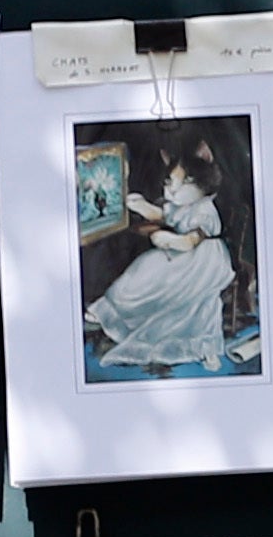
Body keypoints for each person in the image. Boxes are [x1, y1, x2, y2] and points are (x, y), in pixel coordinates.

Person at [85, 153, 236, 375]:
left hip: (203, 261)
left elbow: (191, 240)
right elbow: (163, 215)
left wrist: (171, 240)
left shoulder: (204, 209)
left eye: (185, 182)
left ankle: (202, 346)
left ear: (204, 184)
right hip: (180, 256)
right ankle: (111, 310)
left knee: (196, 299)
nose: (173, 190)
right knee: (143, 268)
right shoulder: (183, 205)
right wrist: (139, 205)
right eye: (169, 183)